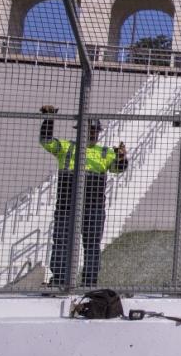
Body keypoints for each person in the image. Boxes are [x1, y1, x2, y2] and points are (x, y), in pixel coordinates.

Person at [39, 105, 128, 286]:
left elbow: (118, 169)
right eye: (89, 130)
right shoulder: (66, 147)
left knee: (91, 245)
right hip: (66, 206)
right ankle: (59, 280)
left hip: (93, 207)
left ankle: (89, 282)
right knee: (61, 242)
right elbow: (46, 141)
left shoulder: (106, 152)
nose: (92, 134)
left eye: (95, 131)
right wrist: (49, 119)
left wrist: (122, 159)